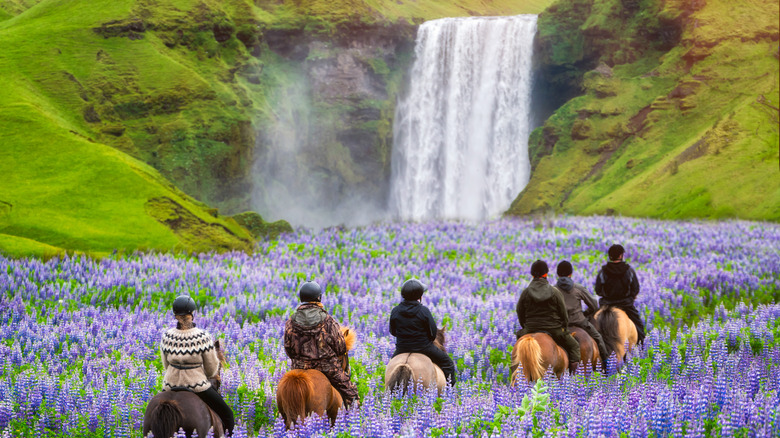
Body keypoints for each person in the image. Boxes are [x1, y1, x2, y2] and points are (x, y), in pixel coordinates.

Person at [160, 295, 235, 435]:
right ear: (192, 314)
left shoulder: (167, 336)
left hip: (169, 385)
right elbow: (212, 369)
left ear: (175, 315)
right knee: (227, 414)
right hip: (197, 386)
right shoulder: (202, 337)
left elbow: (166, 365)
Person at [283, 281, 359, 407]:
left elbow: (288, 349)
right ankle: (353, 414)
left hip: (299, 366)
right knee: (350, 392)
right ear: (318, 297)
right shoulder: (328, 320)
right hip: (327, 367)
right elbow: (340, 347)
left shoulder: (291, 321)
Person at [516, 260, 580, 374]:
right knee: (574, 347)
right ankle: (573, 378)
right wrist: (564, 327)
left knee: (518, 346)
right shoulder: (554, 292)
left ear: (532, 274)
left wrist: (525, 327)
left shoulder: (526, 292)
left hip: (530, 328)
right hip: (553, 329)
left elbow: (520, 312)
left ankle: (517, 374)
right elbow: (563, 313)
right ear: (546, 274)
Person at [389, 279, 457, 385]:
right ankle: (451, 393)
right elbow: (433, 332)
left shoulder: (395, 311)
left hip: (402, 348)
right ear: (419, 296)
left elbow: (393, 331)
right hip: (424, 347)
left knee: (390, 366)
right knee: (447, 362)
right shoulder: (423, 311)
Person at [555, 261, 609, 367]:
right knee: (598, 337)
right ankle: (606, 364)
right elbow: (594, 304)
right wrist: (585, 313)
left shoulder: (553, 290)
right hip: (579, 322)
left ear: (558, 274)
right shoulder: (578, 288)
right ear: (570, 274)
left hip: (560, 325)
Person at [594, 244, 646, 344]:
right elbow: (635, 288)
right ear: (621, 256)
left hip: (606, 305)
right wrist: (630, 297)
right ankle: (642, 347)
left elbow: (598, 290)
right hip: (625, 305)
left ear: (610, 256)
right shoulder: (629, 270)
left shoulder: (603, 271)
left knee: (591, 324)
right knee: (638, 327)